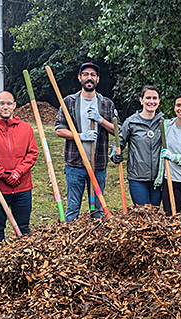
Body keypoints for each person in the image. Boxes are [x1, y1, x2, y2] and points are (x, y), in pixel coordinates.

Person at [55, 62, 117, 221]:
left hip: (98, 165)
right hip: (75, 164)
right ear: (79, 78)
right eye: (85, 74)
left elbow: (117, 131)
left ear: (98, 79)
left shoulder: (106, 103)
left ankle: (95, 241)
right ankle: (69, 241)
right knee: (73, 208)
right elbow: (59, 129)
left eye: (93, 75)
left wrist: (101, 120)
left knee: (97, 208)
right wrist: (80, 136)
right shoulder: (68, 102)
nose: (89, 78)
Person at [0, 91, 39, 243]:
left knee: (23, 228)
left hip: (22, 188)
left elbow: (32, 153)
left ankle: (24, 260)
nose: (5, 107)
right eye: (2, 103)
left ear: (14, 106)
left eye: (9, 103)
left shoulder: (26, 128)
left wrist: (18, 172)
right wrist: (3, 174)